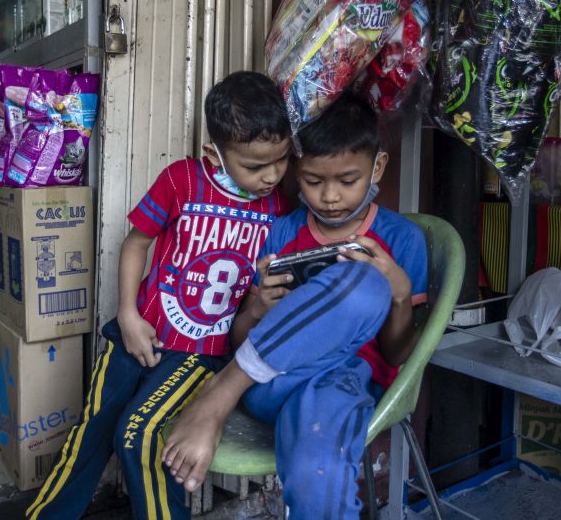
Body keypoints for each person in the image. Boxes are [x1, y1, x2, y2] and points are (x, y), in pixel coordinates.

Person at [25, 71, 292, 520]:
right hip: (140, 330)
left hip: (201, 352)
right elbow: (135, 244)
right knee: (93, 428)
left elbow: (257, 299)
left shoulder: (278, 209)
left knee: (140, 435)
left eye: (281, 161)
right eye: (254, 165)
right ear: (215, 152)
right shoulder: (182, 180)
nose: (271, 176)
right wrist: (128, 314)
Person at [162, 92, 429, 519]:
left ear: (377, 167)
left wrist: (398, 292)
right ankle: (220, 393)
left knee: (317, 474)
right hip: (271, 382)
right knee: (361, 281)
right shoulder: (283, 232)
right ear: (296, 173)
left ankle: (221, 391)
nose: (330, 197)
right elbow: (242, 335)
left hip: (342, 386)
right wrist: (257, 308)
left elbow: (398, 355)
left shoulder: (402, 239)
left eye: (347, 180)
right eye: (313, 181)